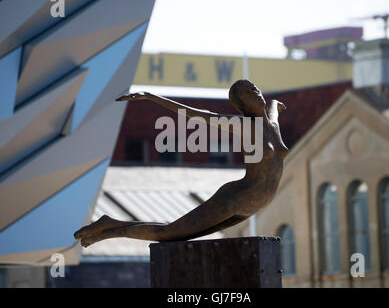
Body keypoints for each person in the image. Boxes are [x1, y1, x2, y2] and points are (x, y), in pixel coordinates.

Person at [74, 79, 288, 247]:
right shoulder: (244, 125)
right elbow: (201, 115)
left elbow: (273, 110)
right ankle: (109, 231)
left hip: (253, 205)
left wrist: (276, 105)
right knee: (168, 234)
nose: (256, 92)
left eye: (255, 88)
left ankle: (110, 225)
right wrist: (152, 97)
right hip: (237, 198)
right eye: (248, 92)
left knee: (175, 233)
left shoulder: (272, 124)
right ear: (242, 105)